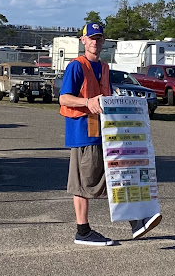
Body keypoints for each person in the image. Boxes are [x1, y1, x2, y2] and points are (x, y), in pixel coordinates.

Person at [59, 23, 162, 246]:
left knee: (118, 176)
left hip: (106, 132)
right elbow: (64, 98)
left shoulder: (105, 68)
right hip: (84, 133)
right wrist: (87, 102)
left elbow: (107, 98)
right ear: (83, 40)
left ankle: (136, 220)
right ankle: (83, 231)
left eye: (99, 38)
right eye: (91, 38)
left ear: (104, 42)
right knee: (84, 182)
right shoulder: (76, 66)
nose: (95, 42)